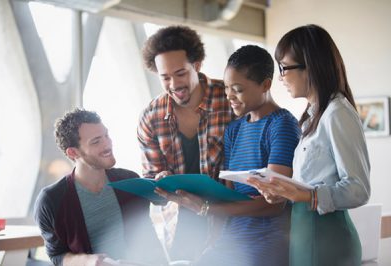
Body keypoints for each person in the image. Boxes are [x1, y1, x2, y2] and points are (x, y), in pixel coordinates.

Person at [156, 45, 301, 266]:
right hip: (230, 242)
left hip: (264, 244)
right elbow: (229, 195)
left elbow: (274, 204)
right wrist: (211, 242)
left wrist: (206, 208)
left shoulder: (282, 125)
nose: (229, 96)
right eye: (226, 88)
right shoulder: (234, 129)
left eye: (238, 89)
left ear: (265, 84)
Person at [247, 24, 371, 266]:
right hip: (304, 233)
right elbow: (310, 183)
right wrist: (281, 193)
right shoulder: (312, 116)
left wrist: (307, 195)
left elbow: (359, 189)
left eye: (284, 68)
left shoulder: (337, 113)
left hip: (328, 238)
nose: (280, 77)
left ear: (310, 67)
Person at [137, 25, 234, 261]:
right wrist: (159, 183)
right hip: (182, 231)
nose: (174, 84)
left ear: (197, 65)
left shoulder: (231, 99)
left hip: (232, 225)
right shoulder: (151, 117)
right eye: (165, 77)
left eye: (180, 73)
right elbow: (153, 191)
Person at [34, 108, 166, 266]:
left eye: (106, 135)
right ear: (73, 153)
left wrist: (165, 186)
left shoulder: (129, 180)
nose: (107, 144)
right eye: (96, 141)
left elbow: (160, 201)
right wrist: (88, 261)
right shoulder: (51, 200)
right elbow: (57, 255)